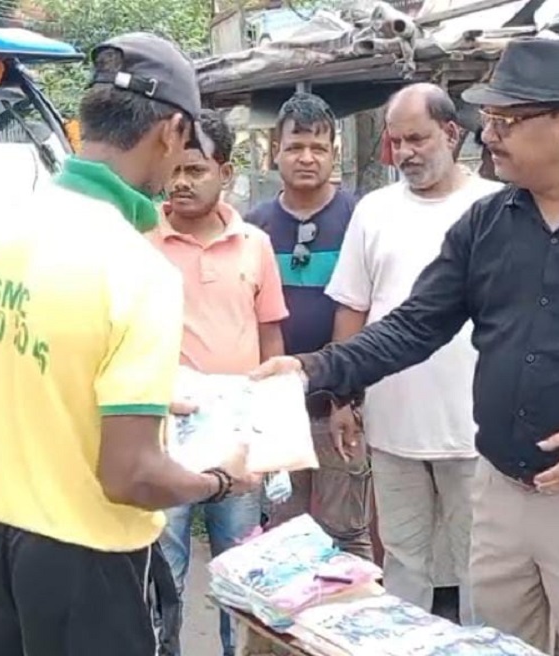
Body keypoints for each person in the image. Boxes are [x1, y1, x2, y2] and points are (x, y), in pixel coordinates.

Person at [251, 38, 559, 656]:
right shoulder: (486, 225)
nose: (488, 135)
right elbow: (415, 326)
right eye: (488, 119)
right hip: (499, 492)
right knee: (493, 646)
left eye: (507, 120)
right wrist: (311, 370)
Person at [0, 32, 259, 656]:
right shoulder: (136, 269)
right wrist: (219, 482)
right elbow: (131, 476)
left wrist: (146, 402)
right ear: (173, 131)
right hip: (86, 563)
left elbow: (34, 375)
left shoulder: (3, 231)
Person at [324, 83, 501, 618]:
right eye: (396, 141)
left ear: (451, 133)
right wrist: (343, 398)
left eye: (417, 139)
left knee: (480, 564)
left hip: (476, 429)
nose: (405, 153)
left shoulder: (496, 206)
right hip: (393, 424)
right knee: (402, 558)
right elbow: (352, 307)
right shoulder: (374, 210)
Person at [147, 108, 289, 656]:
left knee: (239, 567)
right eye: (175, 169)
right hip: (164, 432)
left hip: (236, 435)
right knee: (165, 566)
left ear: (225, 172)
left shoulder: (254, 243)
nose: (182, 182)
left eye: (197, 169)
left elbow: (270, 337)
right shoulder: (141, 238)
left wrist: (273, 434)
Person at [245, 93, 375, 560]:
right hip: (279, 410)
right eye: (295, 147)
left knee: (347, 534)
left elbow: (368, 313)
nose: (306, 158)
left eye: (318, 148)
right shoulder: (254, 227)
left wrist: (347, 398)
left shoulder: (360, 220)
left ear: (333, 154)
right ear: (274, 151)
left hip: (341, 408)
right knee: (282, 537)